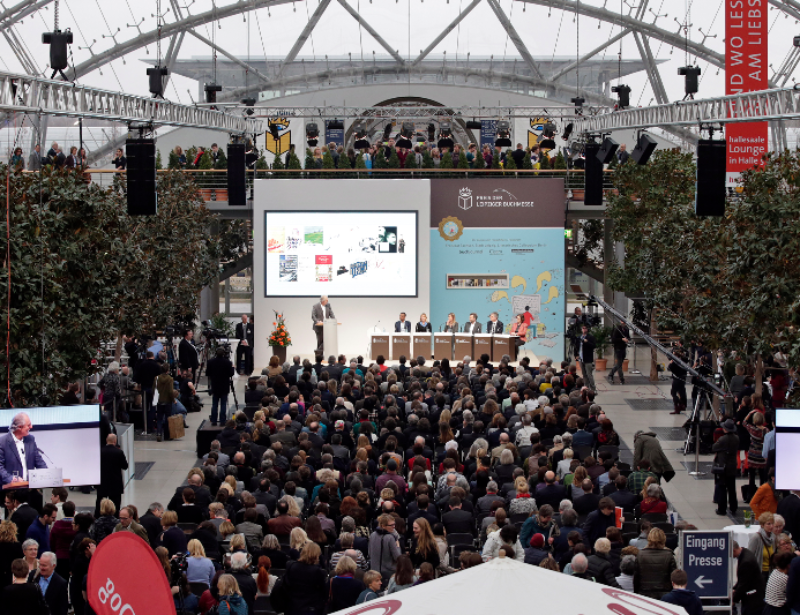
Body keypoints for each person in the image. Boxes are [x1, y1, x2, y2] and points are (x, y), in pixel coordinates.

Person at [0, 412, 47, 487]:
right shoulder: (3, 442)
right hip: (10, 490)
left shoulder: (30, 440)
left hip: (28, 488)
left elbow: (39, 461)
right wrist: (11, 478)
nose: (31, 427)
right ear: (19, 427)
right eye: (28, 425)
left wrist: (47, 475)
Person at [284, 541, 327, 615]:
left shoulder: (291, 566)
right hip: (310, 609)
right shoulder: (317, 571)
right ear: (316, 555)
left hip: (292, 607)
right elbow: (323, 591)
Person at [634, 528, 677, 599]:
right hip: (664, 594)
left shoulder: (640, 555)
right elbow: (673, 578)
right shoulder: (669, 555)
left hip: (645, 594)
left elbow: (636, 578)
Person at [712, 419, 740, 516]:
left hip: (723, 467)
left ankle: (722, 509)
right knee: (732, 489)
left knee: (722, 488)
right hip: (732, 466)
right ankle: (733, 508)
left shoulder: (723, 439)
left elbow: (714, 447)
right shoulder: (736, 438)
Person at [97, 433, 128, 516]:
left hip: (102, 482)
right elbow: (125, 466)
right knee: (116, 503)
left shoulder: (100, 452)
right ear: (115, 441)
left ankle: (98, 517)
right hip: (115, 482)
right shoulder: (119, 452)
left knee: (100, 502)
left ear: (107, 440)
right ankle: (115, 517)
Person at [29, 550, 69, 615]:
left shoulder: (60, 583)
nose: (41, 567)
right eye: (40, 564)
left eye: (44, 565)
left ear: (53, 566)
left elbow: (63, 608)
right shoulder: (33, 575)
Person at [733, 540, 765, 615]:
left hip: (753, 600)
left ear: (733, 551)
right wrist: (734, 589)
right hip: (754, 595)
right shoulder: (745, 552)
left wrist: (734, 599)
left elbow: (743, 584)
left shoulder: (746, 562)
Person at [207, 347, 235, 426]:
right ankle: (222, 421)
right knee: (223, 404)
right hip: (224, 385)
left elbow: (208, 373)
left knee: (214, 404)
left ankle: (214, 420)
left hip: (215, 385)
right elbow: (231, 374)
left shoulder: (210, 362)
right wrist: (232, 368)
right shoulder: (228, 363)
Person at [747, 512, 776, 584]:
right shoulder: (756, 538)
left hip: (770, 572)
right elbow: (749, 556)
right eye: (768, 524)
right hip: (759, 572)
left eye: (772, 523)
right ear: (762, 525)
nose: (771, 526)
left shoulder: (773, 537)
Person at [763, 551, 793, 615]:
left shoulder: (774, 571)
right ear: (789, 565)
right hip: (778, 610)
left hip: (767, 608)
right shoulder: (785, 578)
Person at [575, 324, 597, 392]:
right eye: (583, 328)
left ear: (587, 329)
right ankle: (586, 387)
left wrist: (587, 342)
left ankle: (593, 389)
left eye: (585, 328)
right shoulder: (579, 338)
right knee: (584, 374)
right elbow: (576, 347)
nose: (584, 330)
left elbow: (594, 346)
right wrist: (576, 355)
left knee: (589, 374)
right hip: (581, 358)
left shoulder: (590, 337)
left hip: (588, 359)